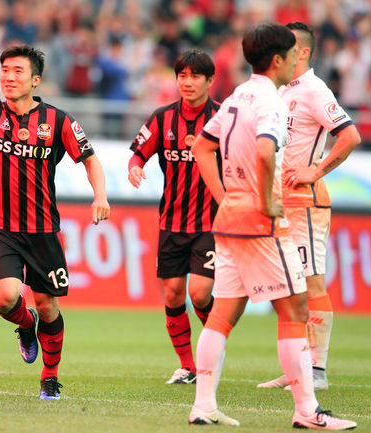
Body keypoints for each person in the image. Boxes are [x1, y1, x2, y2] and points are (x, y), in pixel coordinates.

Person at [188, 23, 357, 430]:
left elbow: (202, 147)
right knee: (295, 309)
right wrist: (265, 201)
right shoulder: (272, 102)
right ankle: (307, 412)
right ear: (279, 59)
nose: (296, 59)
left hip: (230, 219)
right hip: (262, 223)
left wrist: (226, 196)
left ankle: (203, 406)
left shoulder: (236, 96)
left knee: (222, 315)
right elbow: (266, 151)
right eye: (291, 53)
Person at [0, 44, 110, 400]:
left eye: (18, 71)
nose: (9, 77)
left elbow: (90, 159)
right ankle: (26, 326)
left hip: (42, 230)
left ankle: (50, 377)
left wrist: (100, 196)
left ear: (35, 80)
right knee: (5, 298)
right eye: (5, 70)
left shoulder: (59, 121)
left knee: (47, 305)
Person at [257, 21, 361, 392]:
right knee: (285, 286)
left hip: (305, 202)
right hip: (279, 201)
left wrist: (315, 170)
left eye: (284, 46)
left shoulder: (315, 90)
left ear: (302, 52)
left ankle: (317, 370)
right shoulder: (280, 88)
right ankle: (296, 365)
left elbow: (350, 135)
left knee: (311, 282)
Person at [127, 49, 219, 385]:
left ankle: (214, 350)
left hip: (210, 223)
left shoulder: (223, 118)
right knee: (173, 294)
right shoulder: (162, 118)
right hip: (171, 223)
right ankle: (188, 366)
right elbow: (137, 154)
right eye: (182, 76)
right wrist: (135, 168)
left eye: (195, 76)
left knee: (200, 294)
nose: (187, 82)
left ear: (210, 81)